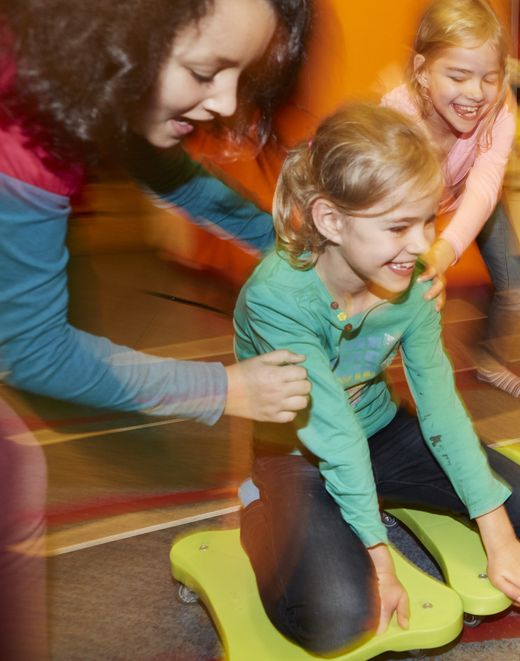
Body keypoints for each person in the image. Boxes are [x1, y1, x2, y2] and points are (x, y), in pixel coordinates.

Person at [0, 0, 312, 658]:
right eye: (206, 72)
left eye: (239, 75)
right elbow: (32, 348)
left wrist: (290, 247)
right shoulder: (22, 128)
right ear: (120, 34)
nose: (226, 102)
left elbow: (178, 178)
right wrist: (223, 389)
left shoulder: (90, 76)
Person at [234, 103, 520, 654]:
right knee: (339, 618)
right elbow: (331, 431)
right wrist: (381, 563)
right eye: (398, 226)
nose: (421, 243)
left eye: (429, 220)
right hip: (297, 455)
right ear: (331, 221)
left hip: (380, 433)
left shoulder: (408, 281)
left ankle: (367, 495)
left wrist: (498, 537)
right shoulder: (277, 298)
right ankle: (257, 510)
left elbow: (440, 406)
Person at [382, 0, 520, 397]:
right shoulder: (400, 115)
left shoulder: (500, 111)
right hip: (414, 201)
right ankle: (363, 378)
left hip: (471, 192)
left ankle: (486, 358)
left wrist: (446, 250)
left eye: (489, 77)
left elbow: (485, 187)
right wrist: (422, 255)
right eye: (459, 75)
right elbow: (390, 203)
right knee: (407, 293)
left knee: (517, 285)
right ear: (422, 71)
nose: (476, 93)